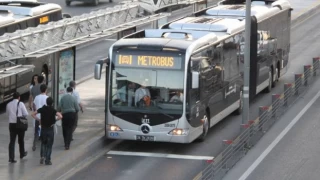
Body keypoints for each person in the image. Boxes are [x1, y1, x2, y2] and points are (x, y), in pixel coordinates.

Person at [32, 97, 62, 165]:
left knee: (43, 143)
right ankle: (47, 160)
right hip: (50, 129)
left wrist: (39, 120)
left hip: (43, 129)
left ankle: (42, 156)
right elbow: (60, 116)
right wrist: (55, 120)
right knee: (49, 145)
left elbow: (33, 114)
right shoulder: (53, 110)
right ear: (52, 103)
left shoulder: (42, 109)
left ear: (46, 102)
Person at [7, 92, 28, 163]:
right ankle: (22, 153)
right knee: (21, 140)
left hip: (12, 124)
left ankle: (11, 158)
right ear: (19, 97)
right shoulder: (21, 104)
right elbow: (26, 113)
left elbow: (8, 113)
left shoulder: (8, 104)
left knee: (12, 141)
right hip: (20, 124)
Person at [33, 84, 49, 157]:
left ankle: (34, 143)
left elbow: (34, 106)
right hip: (44, 118)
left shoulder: (36, 97)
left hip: (37, 117)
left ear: (40, 90)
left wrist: (36, 112)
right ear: (46, 90)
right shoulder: (47, 98)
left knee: (36, 131)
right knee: (44, 132)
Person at [30, 75, 44, 151]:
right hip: (42, 110)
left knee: (36, 124)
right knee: (42, 124)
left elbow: (31, 99)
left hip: (36, 109)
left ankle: (35, 140)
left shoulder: (33, 88)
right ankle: (41, 136)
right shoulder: (42, 87)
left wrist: (30, 105)